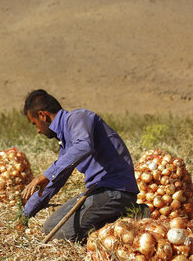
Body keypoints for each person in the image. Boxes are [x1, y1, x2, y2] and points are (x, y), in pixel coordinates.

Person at [20, 89, 146, 242]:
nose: (38, 131)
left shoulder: (78, 118)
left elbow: (84, 146)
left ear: (43, 115)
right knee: (50, 227)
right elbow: (55, 181)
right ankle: (119, 219)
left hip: (115, 190)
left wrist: (45, 174)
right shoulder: (66, 140)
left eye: (35, 124)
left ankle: (136, 215)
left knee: (61, 234)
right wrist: (24, 215)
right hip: (99, 191)